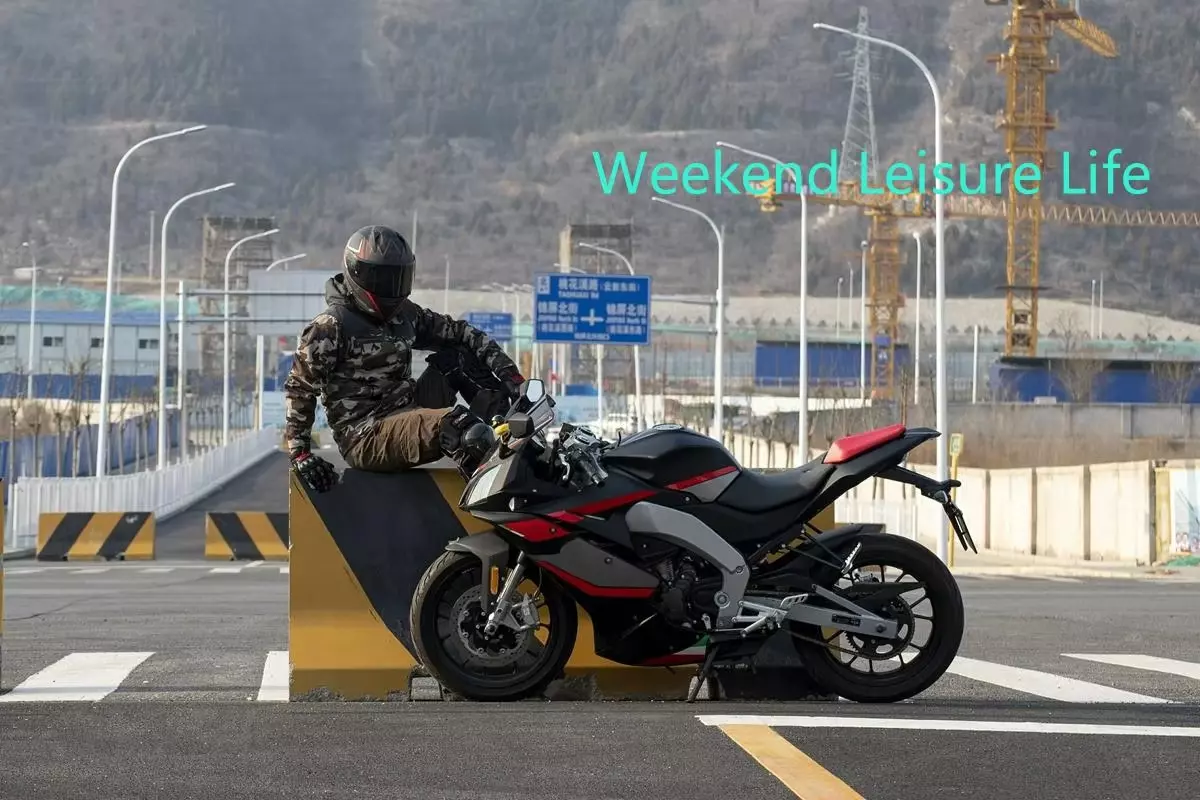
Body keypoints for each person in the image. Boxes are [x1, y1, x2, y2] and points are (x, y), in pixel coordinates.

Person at [283, 224, 524, 493]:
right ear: (356, 272)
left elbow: (462, 333)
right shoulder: (330, 327)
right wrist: (300, 454)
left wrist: (511, 376)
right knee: (460, 427)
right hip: (365, 436)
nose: (392, 288)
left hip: (408, 410)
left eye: (399, 278)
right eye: (383, 279)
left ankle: (512, 431)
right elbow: (300, 388)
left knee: (457, 358)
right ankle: (500, 496)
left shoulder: (404, 314)